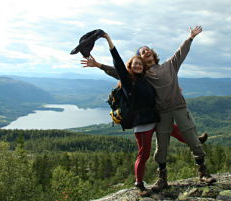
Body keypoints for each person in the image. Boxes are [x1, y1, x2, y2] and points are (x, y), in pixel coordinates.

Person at [80, 33, 208, 196]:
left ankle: (199, 154)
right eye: (139, 57)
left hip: (163, 113)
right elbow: (118, 69)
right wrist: (99, 63)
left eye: (146, 53)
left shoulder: (157, 71)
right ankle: (148, 181)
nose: (141, 60)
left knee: (178, 131)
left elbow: (174, 64)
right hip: (149, 118)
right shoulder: (136, 77)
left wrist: (190, 38)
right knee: (152, 149)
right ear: (134, 64)